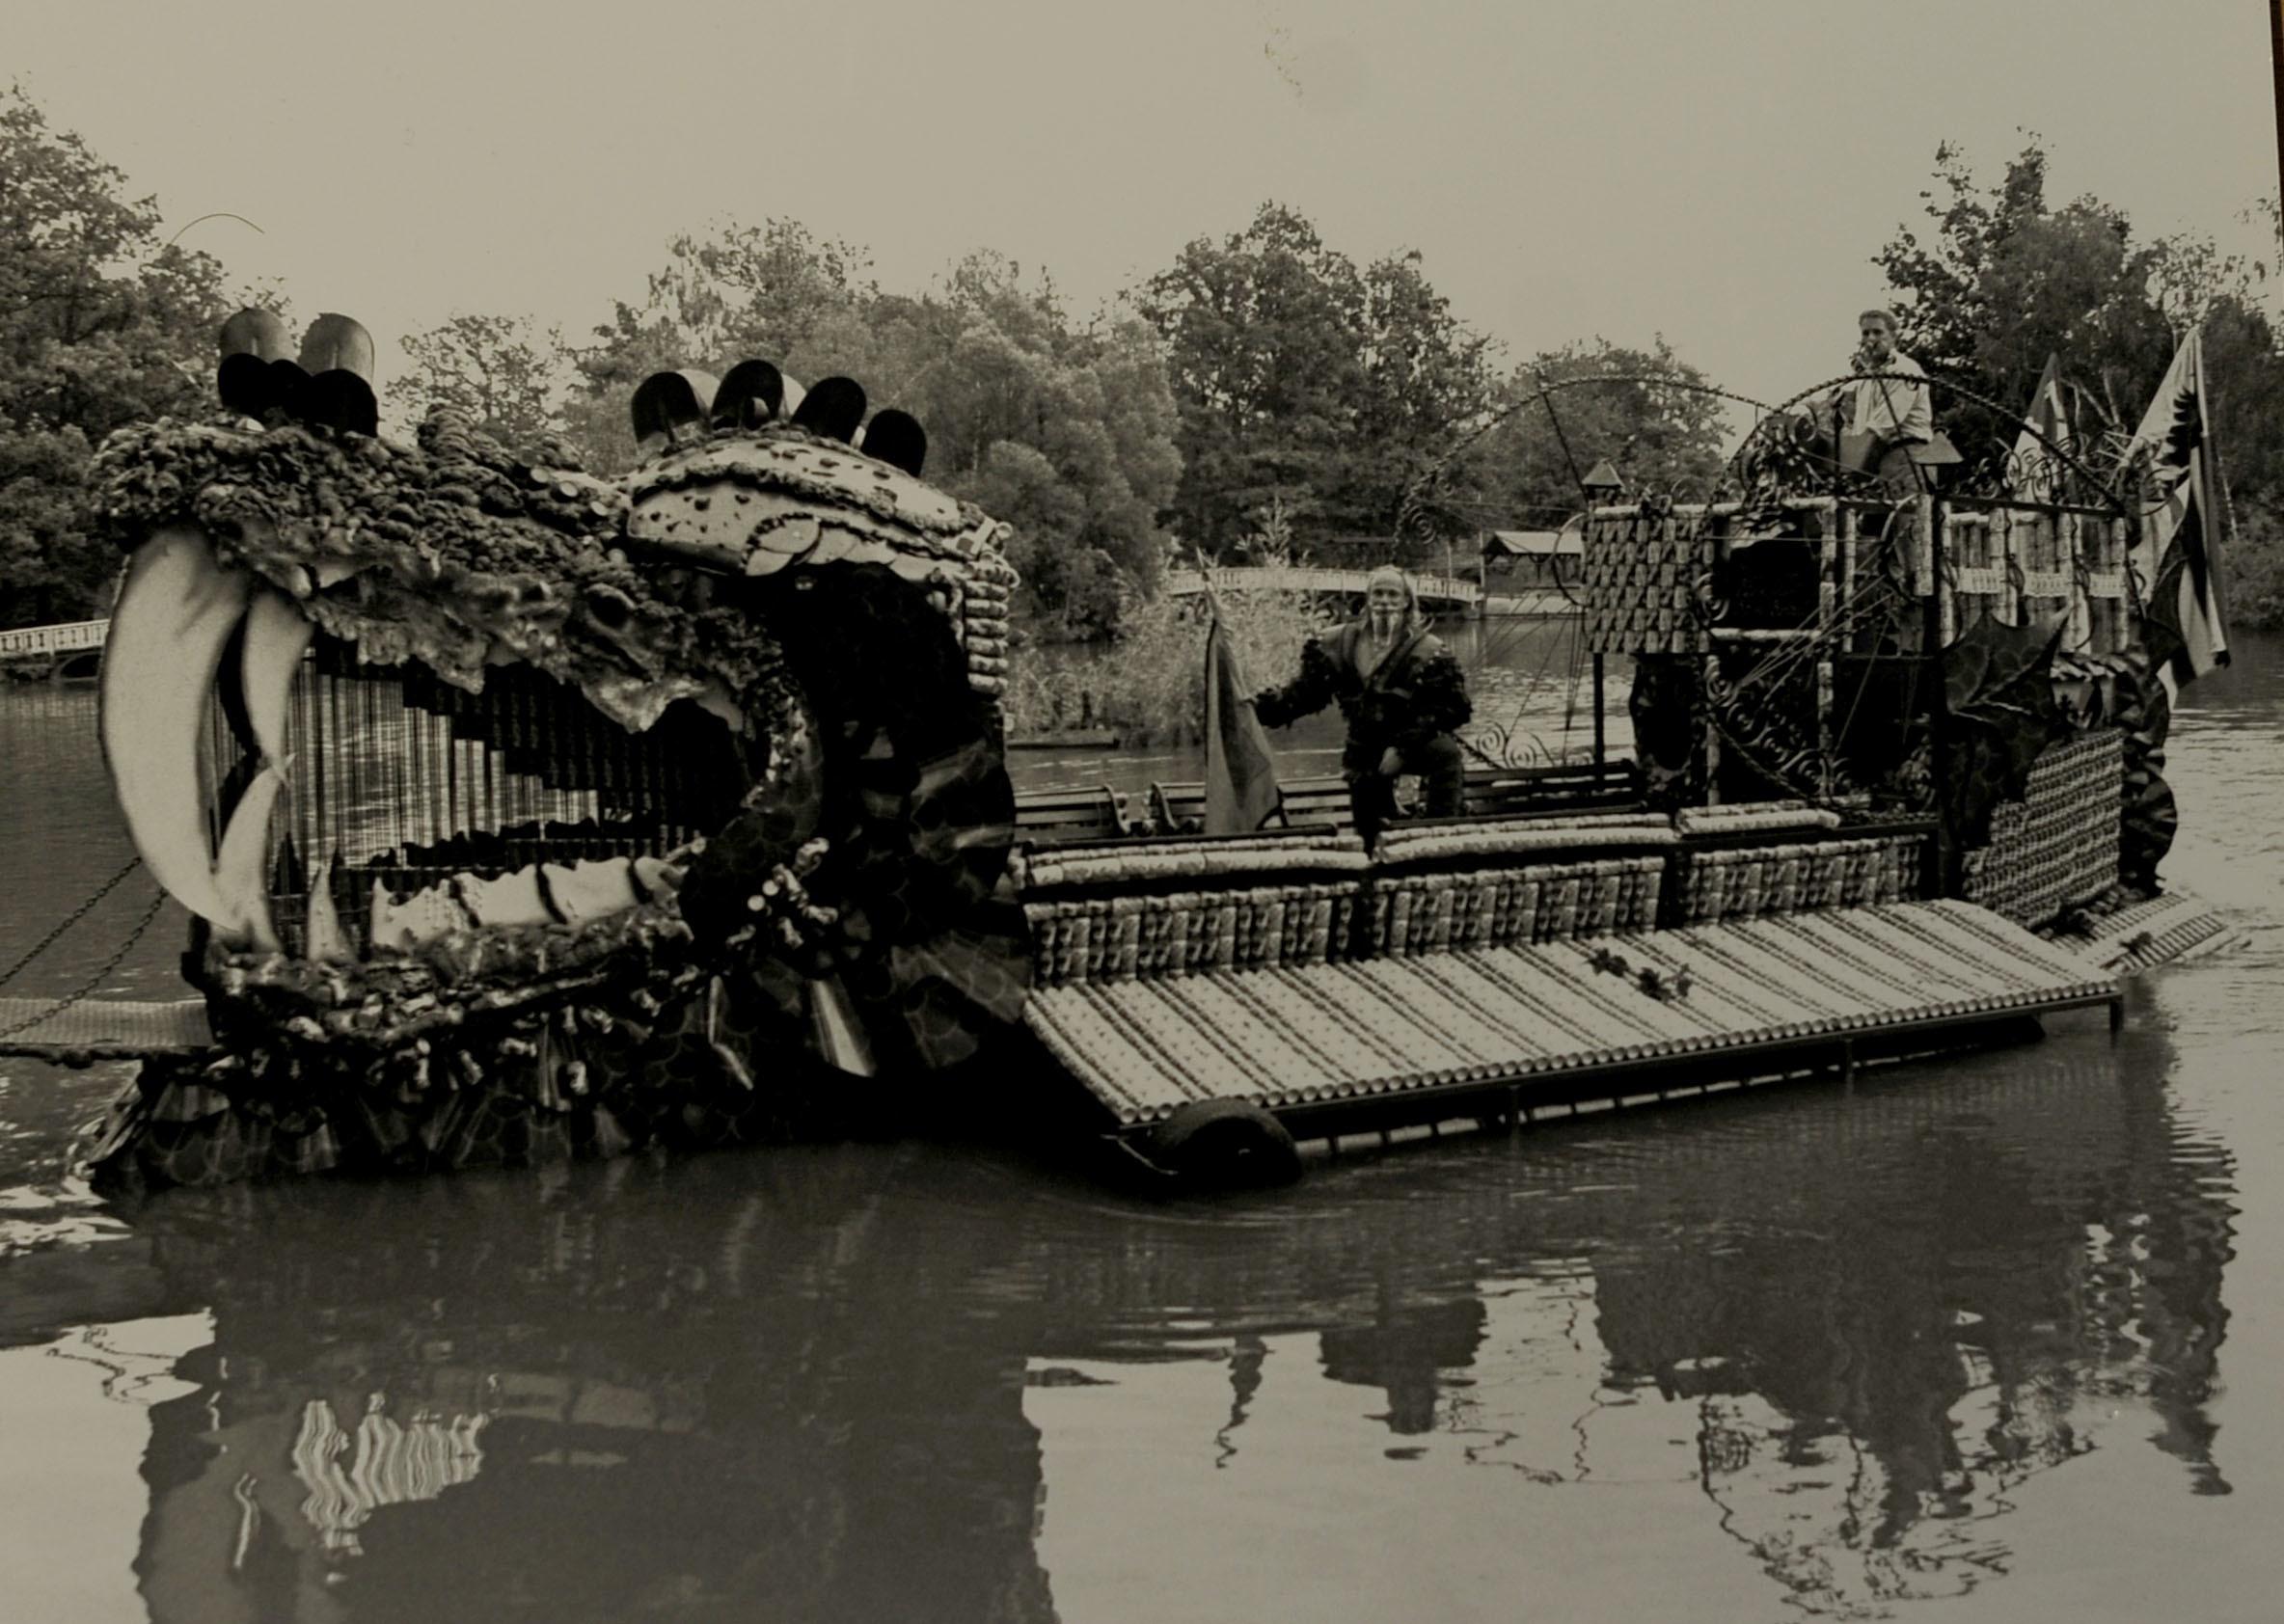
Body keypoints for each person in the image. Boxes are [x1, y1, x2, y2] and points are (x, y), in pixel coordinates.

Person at [1247, 566, 1471, 845]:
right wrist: (1257, 709)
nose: (1384, 601)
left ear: (1406, 602)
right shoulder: (1339, 644)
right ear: (1367, 600)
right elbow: (1306, 694)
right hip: (1364, 752)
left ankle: (1439, 842)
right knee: (1370, 836)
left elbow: (1454, 708)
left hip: (1412, 743)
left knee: (1446, 753)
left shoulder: (1429, 651)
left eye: (1392, 594)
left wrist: (1403, 749)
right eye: (1378, 593)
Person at [1829, 308, 1934, 498]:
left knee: (1907, 521)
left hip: (1905, 456)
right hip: (1875, 459)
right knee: (1869, 524)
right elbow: (1858, 424)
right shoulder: (1866, 379)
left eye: (1878, 332)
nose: (1870, 339)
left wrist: (1852, 466)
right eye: (1865, 333)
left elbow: (1883, 426)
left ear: (1893, 336)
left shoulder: (1904, 369)